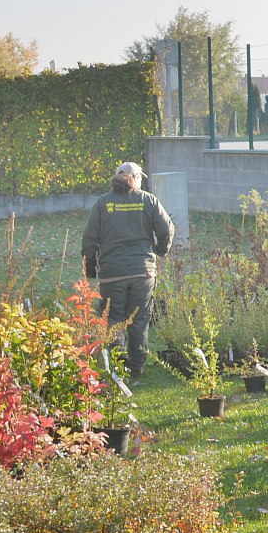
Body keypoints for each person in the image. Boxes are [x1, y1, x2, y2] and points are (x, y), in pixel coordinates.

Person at [82, 161, 175, 379]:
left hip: (112, 272)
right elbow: (167, 229)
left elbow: (89, 238)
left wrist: (89, 267)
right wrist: (161, 251)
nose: (142, 180)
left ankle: (118, 359)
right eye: (140, 177)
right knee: (140, 319)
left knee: (113, 317)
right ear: (134, 178)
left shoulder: (103, 203)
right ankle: (136, 366)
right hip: (143, 272)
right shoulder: (148, 200)